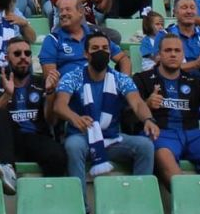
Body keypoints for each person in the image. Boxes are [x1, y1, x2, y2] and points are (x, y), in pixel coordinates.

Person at [53, 31, 159, 199]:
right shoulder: (72, 76)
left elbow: (137, 103)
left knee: (145, 146)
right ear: (86, 54)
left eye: (105, 48)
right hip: (82, 137)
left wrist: (148, 119)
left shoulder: (120, 79)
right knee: (73, 146)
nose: (101, 52)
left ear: (110, 53)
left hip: (112, 138)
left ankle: (138, 201)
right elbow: (59, 105)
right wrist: (75, 118)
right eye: (95, 48)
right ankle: (81, 205)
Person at [135, 34, 200, 186]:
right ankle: (188, 196)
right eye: (168, 50)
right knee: (163, 155)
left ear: (183, 55)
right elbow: (129, 112)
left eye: (177, 50)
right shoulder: (141, 79)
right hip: (160, 134)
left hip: (191, 134)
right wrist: (147, 104)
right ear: (159, 55)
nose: (173, 54)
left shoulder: (194, 81)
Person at [0, 37, 66, 194]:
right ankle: (8, 169)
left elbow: (51, 121)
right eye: (17, 54)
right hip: (10, 141)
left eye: (27, 53)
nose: (23, 57)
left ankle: (50, 198)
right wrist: (6, 96)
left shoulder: (41, 83)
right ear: (7, 58)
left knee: (58, 155)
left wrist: (50, 94)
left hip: (36, 138)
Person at [40, 0, 130, 78]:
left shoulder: (96, 36)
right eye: (61, 10)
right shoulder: (53, 40)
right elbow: (51, 78)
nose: (63, 14)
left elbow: (123, 58)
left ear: (80, 12)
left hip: (102, 85)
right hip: (70, 88)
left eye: (67, 9)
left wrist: (125, 82)